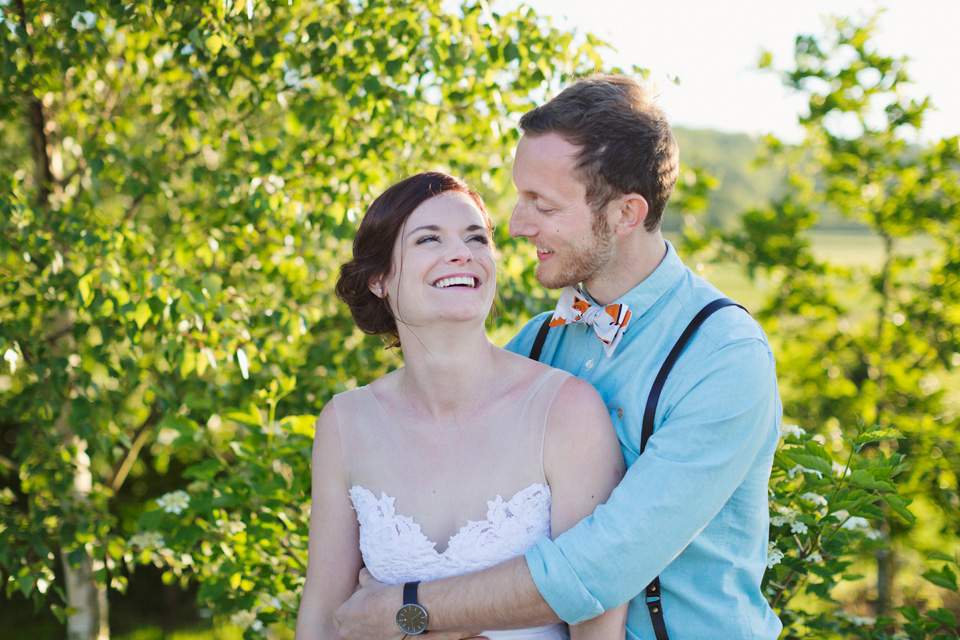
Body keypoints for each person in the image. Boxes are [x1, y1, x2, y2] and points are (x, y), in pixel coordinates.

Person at [333, 75, 783, 639]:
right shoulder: (536, 343)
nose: (517, 227)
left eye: (542, 205)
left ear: (625, 213)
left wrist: (408, 610)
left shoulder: (723, 357)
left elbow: (601, 567)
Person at [294, 171, 628, 640]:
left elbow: (595, 621)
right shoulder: (346, 424)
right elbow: (323, 619)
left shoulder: (566, 412)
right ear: (379, 280)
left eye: (476, 238)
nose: (462, 253)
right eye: (429, 239)